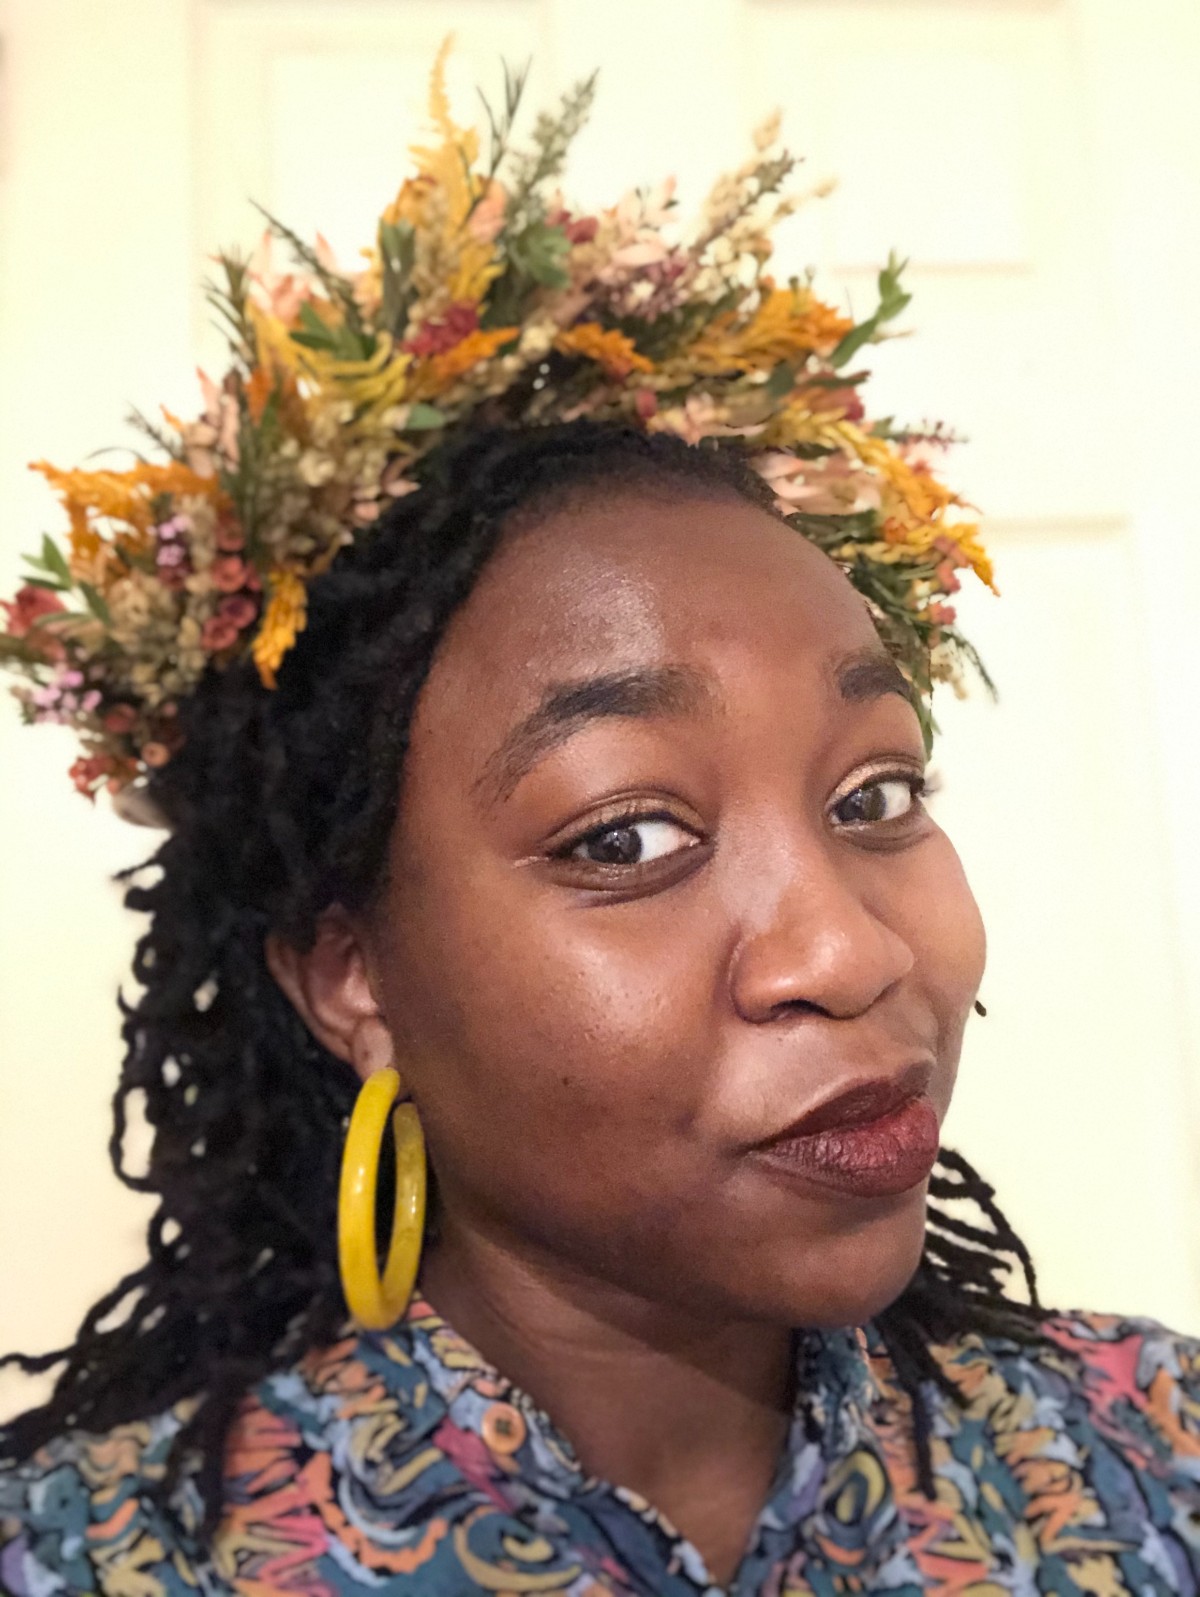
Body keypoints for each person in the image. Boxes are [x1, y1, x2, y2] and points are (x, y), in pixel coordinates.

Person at [0, 59, 1197, 1597]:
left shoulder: (1148, 1458)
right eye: (629, 837)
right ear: (350, 978)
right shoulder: (98, 1560)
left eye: (875, 796)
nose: (849, 943)